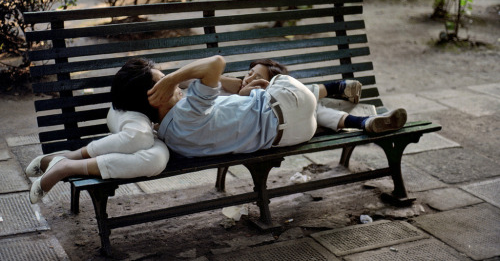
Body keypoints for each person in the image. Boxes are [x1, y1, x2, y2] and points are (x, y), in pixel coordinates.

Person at [147, 55, 407, 158]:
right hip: (291, 109)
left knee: (311, 107)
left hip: (292, 135)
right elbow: (216, 63)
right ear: (156, 97)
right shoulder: (188, 111)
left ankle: (363, 122)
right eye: (167, 87)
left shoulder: (171, 135)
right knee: (301, 96)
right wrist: (172, 78)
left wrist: (246, 93)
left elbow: (231, 98)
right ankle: (338, 87)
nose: (176, 88)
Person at [28, 59, 170, 204]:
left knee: (157, 159)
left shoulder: (183, 88)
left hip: (145, 127)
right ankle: (73, 156)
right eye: (163, 80)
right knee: (141, 138)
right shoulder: (139, 111)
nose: (170, 82)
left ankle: (67, 165)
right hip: (126, 113)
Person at [220, 58, 406, 133]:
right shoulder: (231, 89)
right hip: (267, 130)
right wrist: (242, 87)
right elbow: (222, 81)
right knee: (309, 106)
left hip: (283, 122)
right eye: (250, 72)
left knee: (314, 110)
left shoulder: (265, 93)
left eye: (257, 77)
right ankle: (338, 89)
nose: (249, 77)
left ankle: (364, 122)